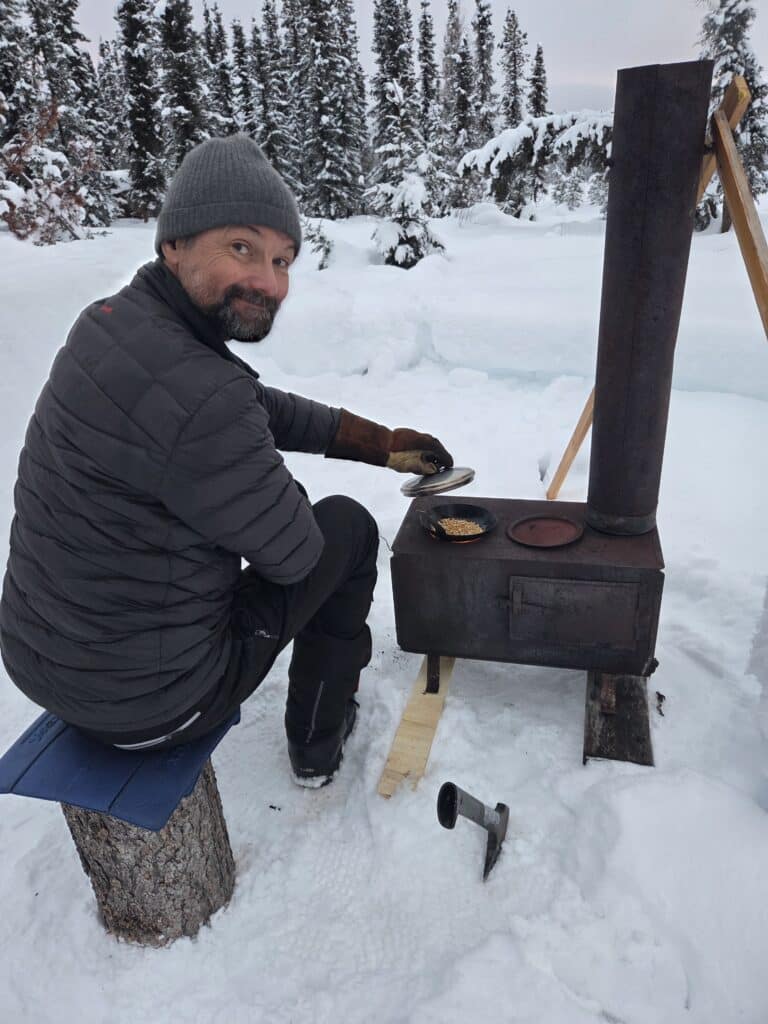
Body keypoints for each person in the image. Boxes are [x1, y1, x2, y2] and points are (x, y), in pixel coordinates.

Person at [0, 136, 452, 786]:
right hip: (154, 705)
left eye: (282, 259)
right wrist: (261, 477)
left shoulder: (111, 324)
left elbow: (256, 405)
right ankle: (319, 742)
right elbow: (295, 554)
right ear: (174, 243)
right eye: (242, 248)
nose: (269, 282)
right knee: (347, 530)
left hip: (47, 662)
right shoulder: (201, 394)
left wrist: (386, 445)